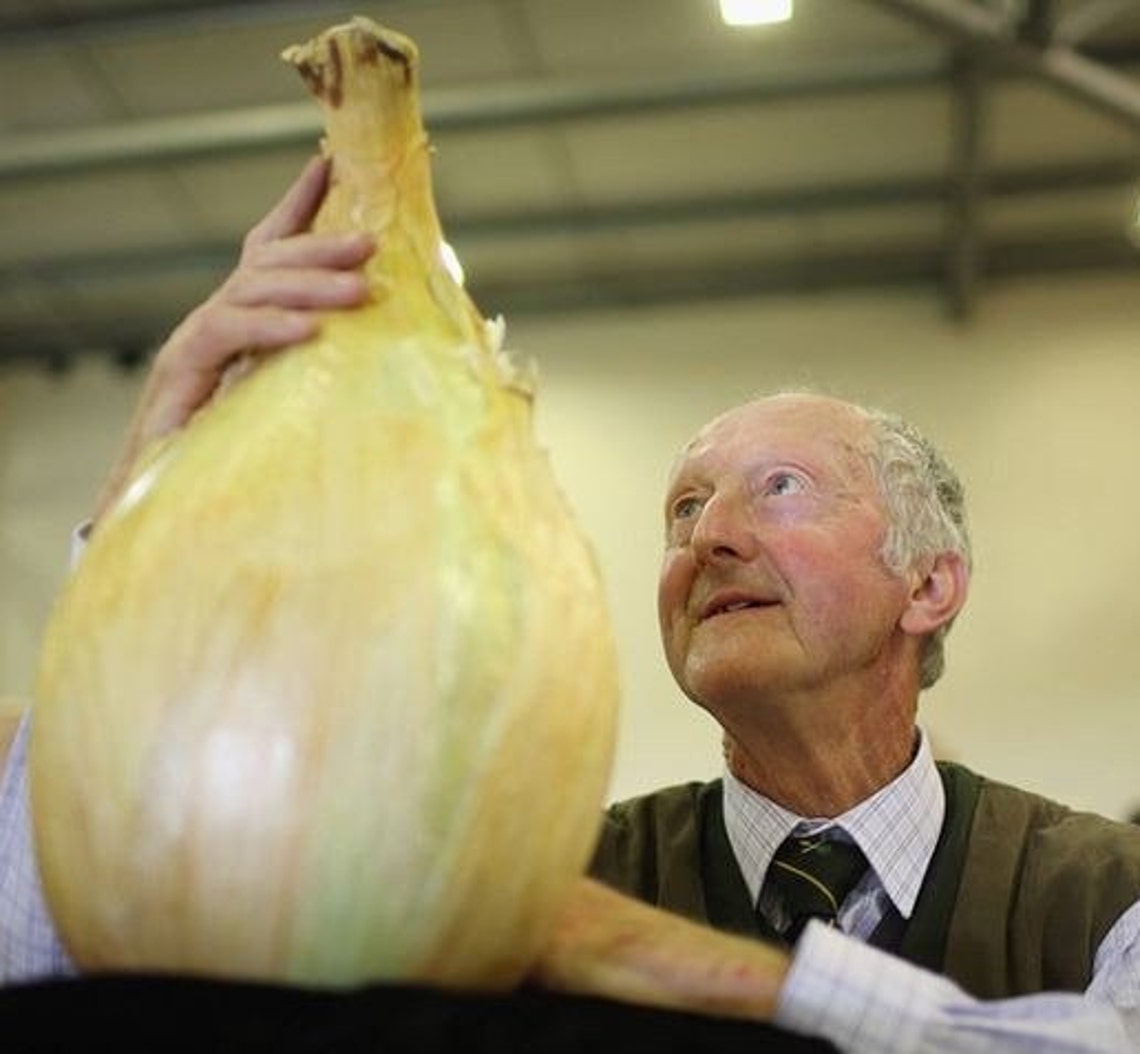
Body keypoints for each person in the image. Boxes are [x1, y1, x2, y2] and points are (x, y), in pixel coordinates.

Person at [2, 158, 1140, 1054]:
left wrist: (713, 975)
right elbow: (95, 963)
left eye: (778, 489)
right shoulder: (531, 882)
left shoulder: (1107, 890)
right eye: (682, 510)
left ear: (930, 585)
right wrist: (147, 490)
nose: (710, 538)